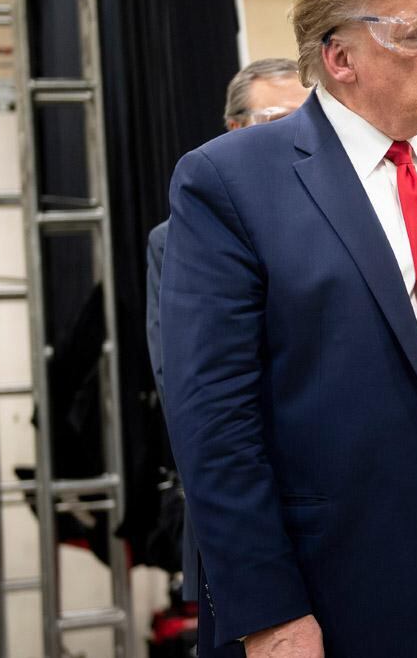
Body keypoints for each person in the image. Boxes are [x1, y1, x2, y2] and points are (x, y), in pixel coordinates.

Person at [158, 0, 417, 655]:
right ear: (340, 58)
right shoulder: (230, 182)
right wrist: (270, 612)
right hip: (335, 597)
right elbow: (214, 422)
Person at [145, 57, 311, 629]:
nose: (296, 136)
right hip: (256, 513)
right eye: (277, 119)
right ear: (234, 130)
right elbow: (190, 392)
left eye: (309, 120)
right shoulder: (182, 237)